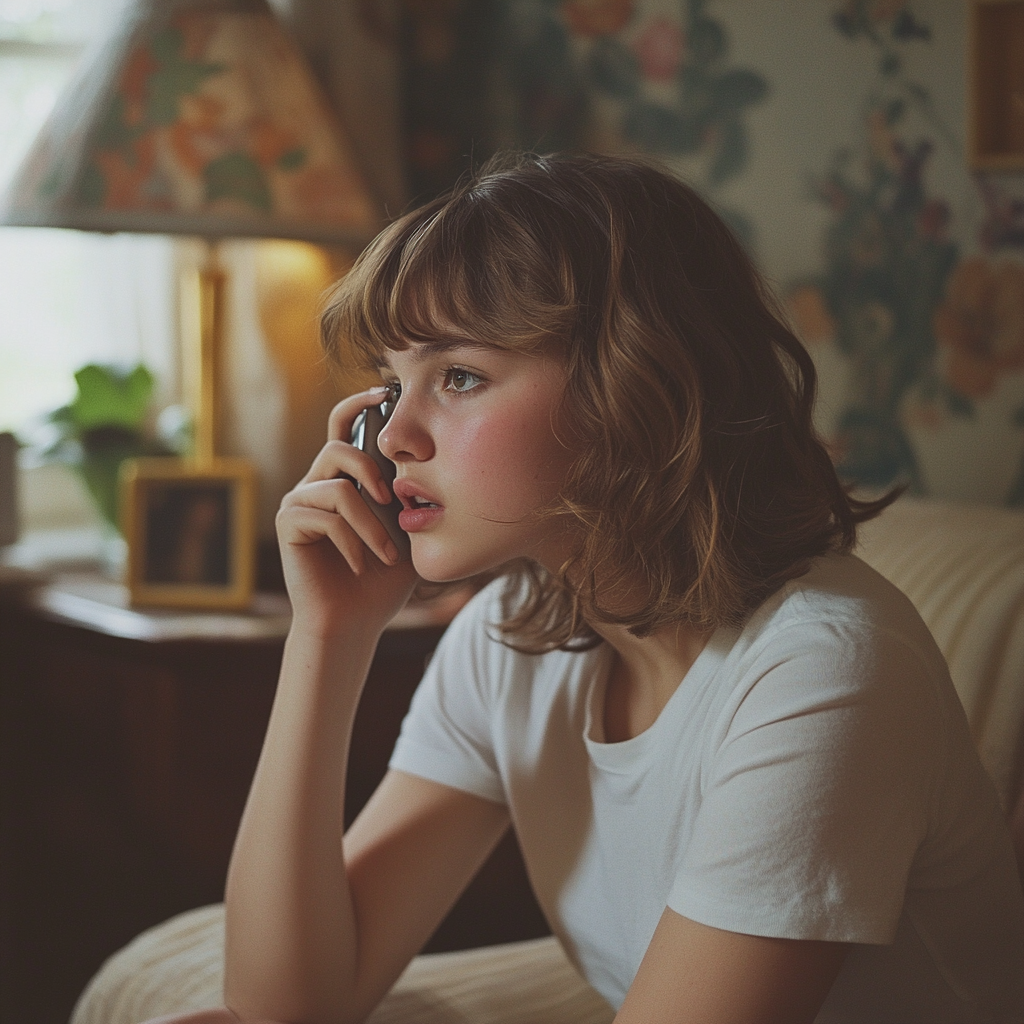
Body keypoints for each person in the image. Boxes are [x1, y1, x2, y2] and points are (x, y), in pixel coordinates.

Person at [149, 153, 1024, 1024]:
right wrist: (329, 638)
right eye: (391, 382)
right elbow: (285, 1007)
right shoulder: (512, 634)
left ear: (634, 385)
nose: (395, 435)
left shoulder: (823, 676)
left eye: (458, 376)